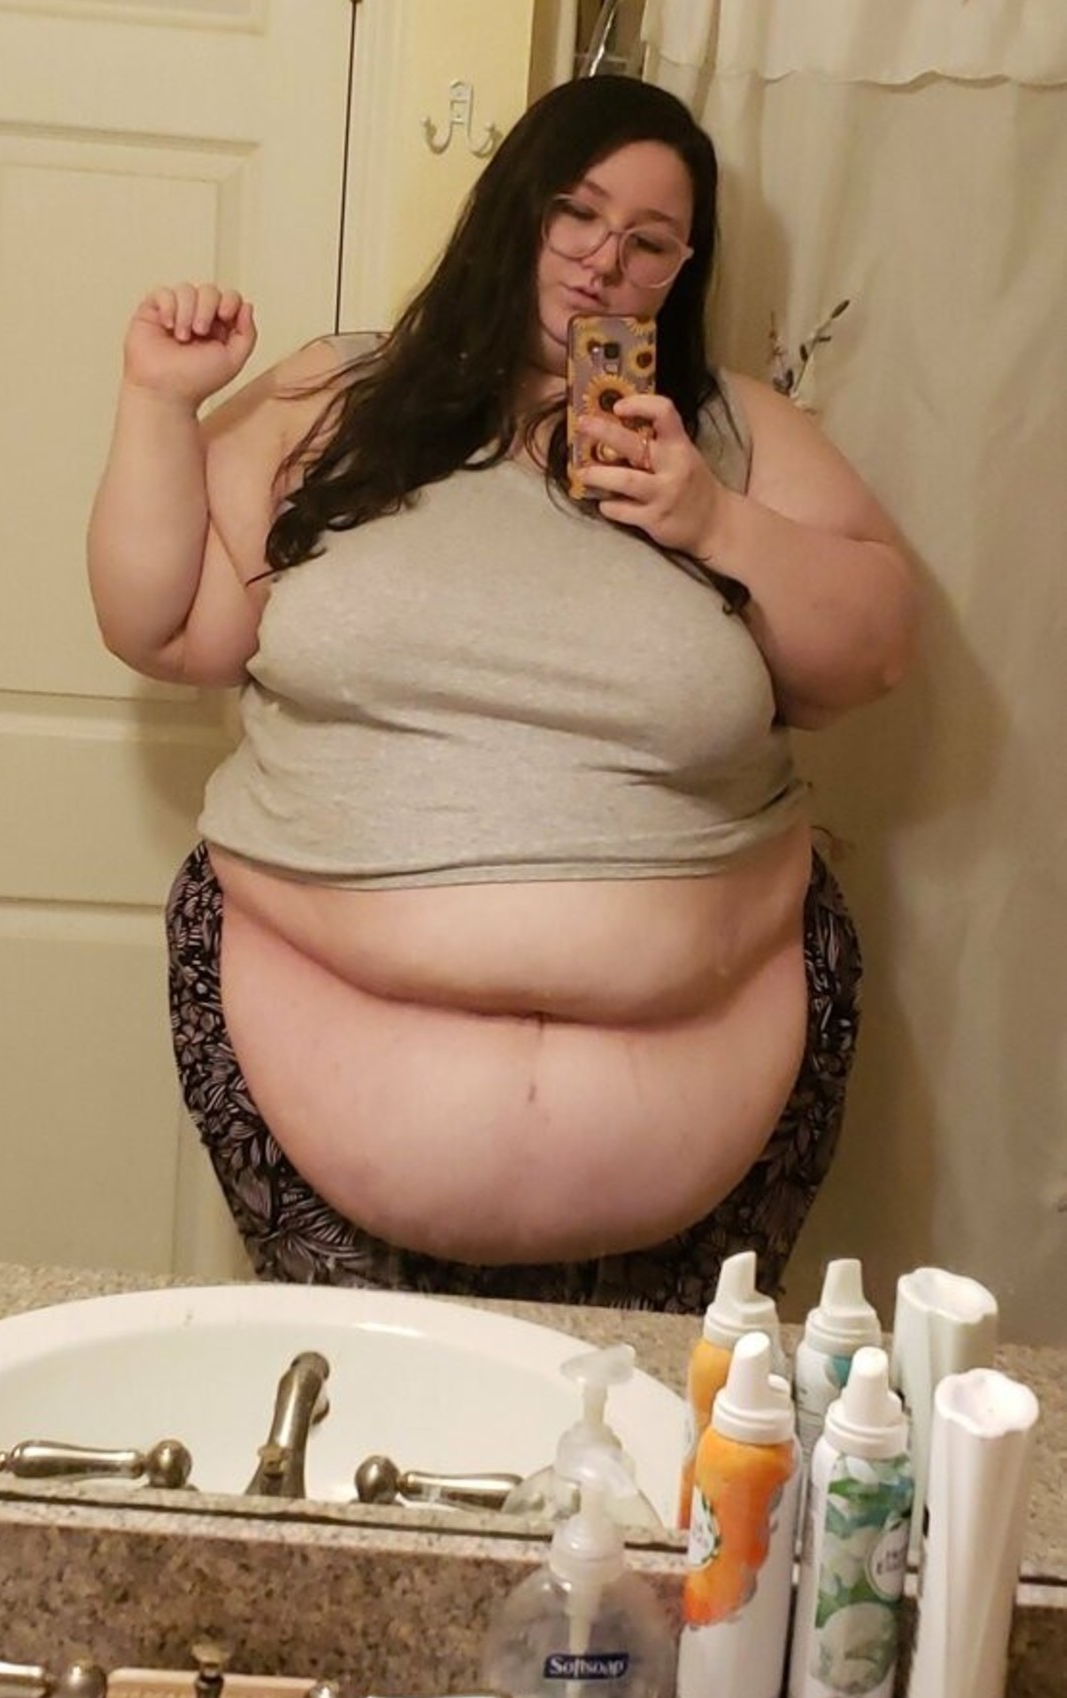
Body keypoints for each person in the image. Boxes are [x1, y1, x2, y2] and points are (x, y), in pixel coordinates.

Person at [87, 76, 920, 1311]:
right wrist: (159, 399)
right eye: (574, 213)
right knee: (360, 1419)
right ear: (511, 208)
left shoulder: (725, 429)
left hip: (712, 1110)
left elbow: (875, 651)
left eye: (649, 242)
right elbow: (163, 625)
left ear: (683, 270)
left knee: (655, 1436)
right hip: (321, 1093)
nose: (602, 261)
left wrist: (712, 520)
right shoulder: (343, 394)